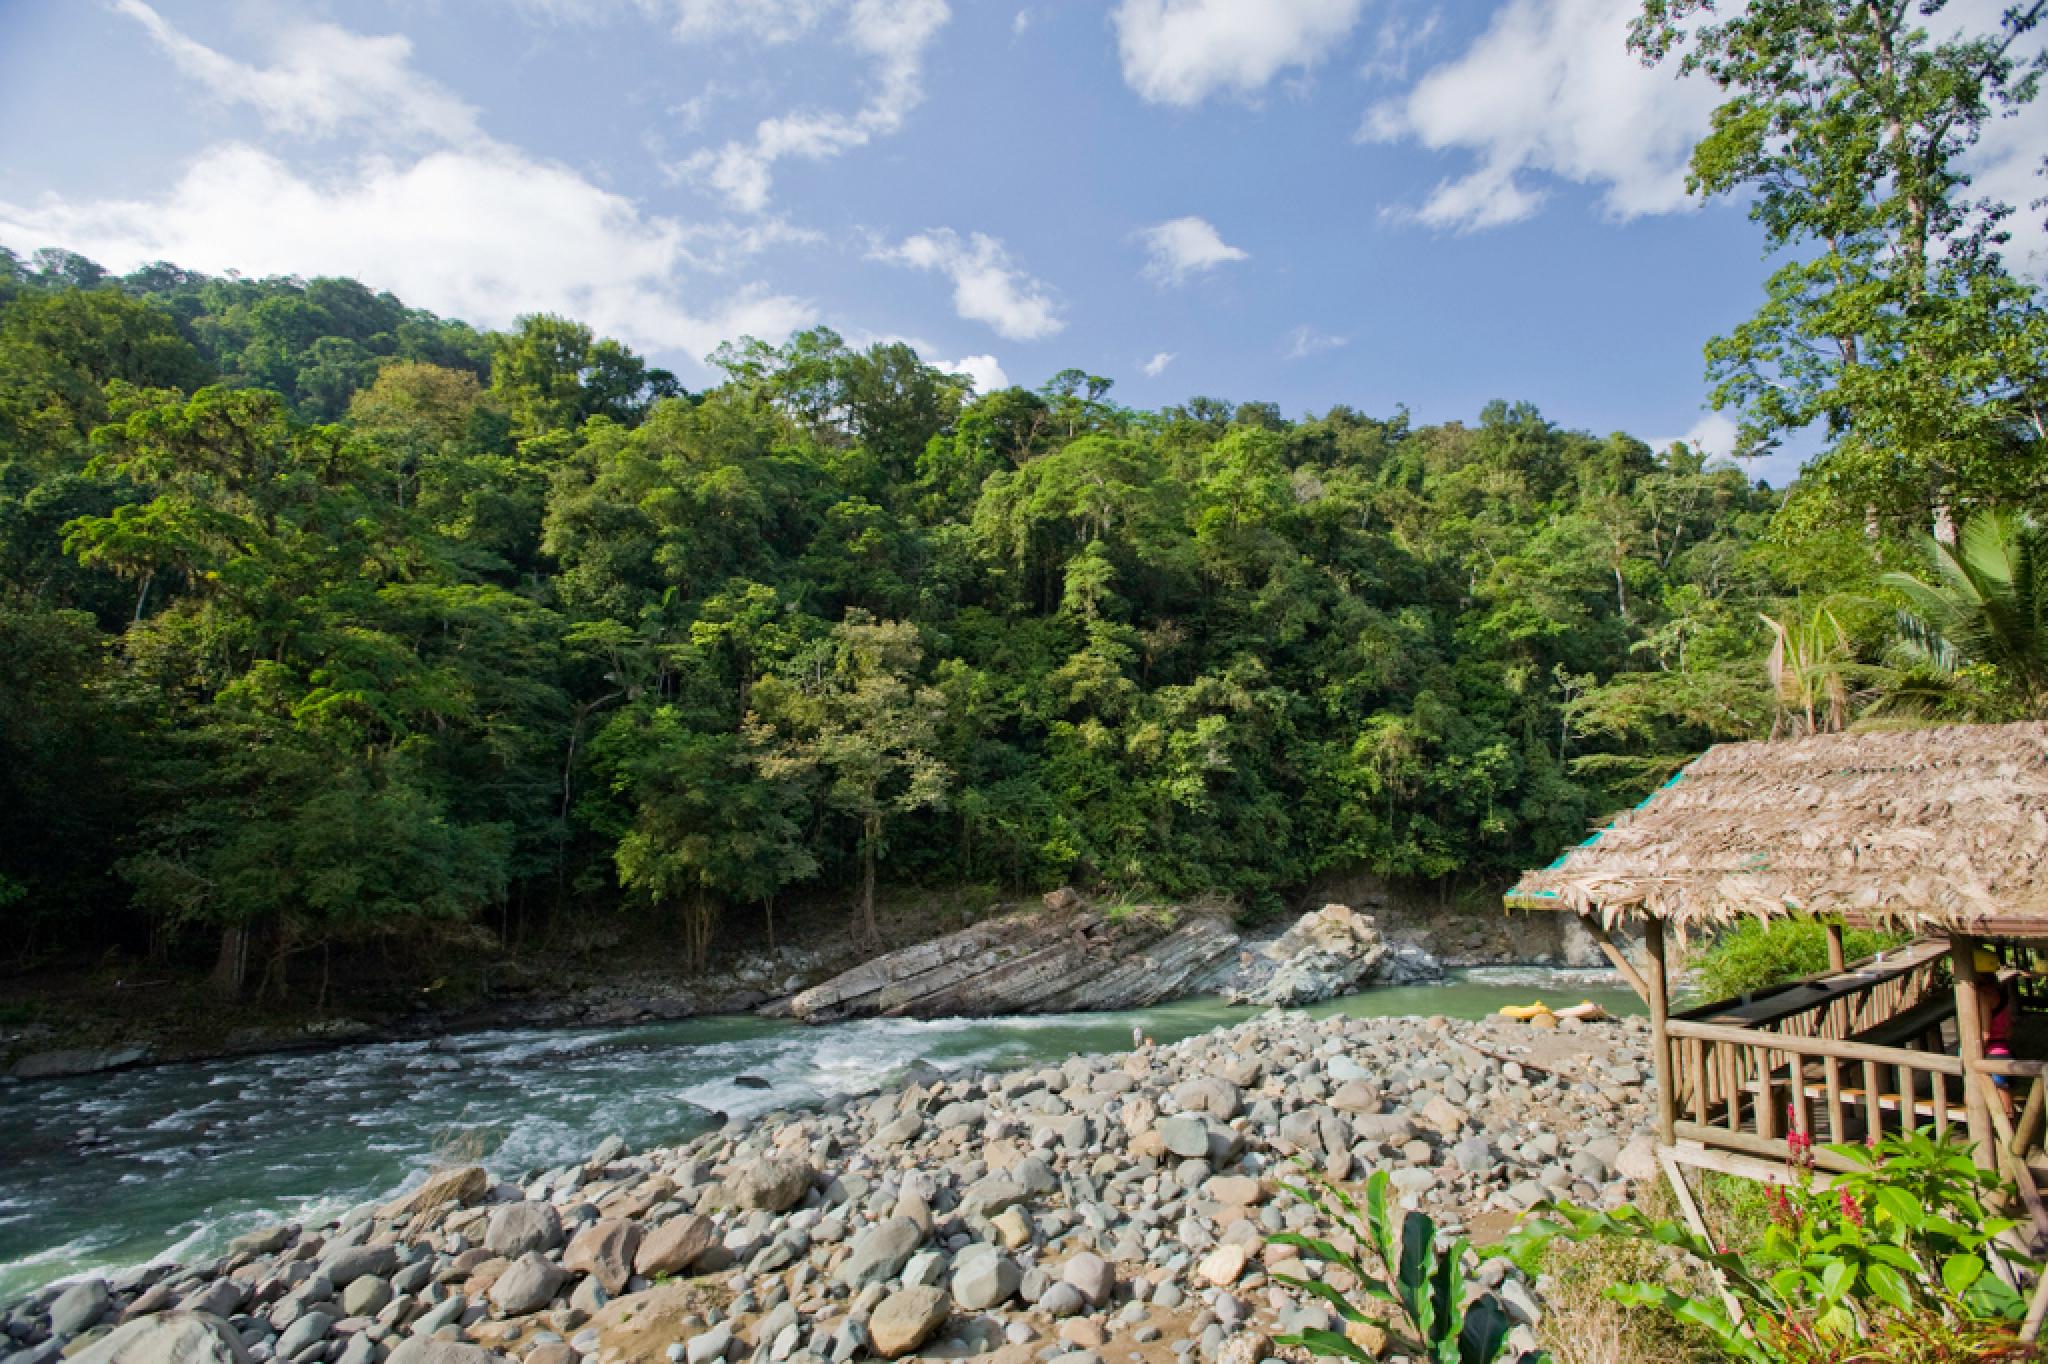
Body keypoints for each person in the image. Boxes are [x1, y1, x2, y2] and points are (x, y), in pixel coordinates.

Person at [1977, 947, 2018, 1123]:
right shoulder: (2001, 990)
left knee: (1999, 1094)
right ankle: (2012, 1137)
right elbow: (2009, 1028)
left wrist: (1975, 1052)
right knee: (2003, 1090)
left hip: (1991, 1052)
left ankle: (2007, 1139)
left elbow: (1985, 1033)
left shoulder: (1983, 995)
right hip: (2003, 1049)